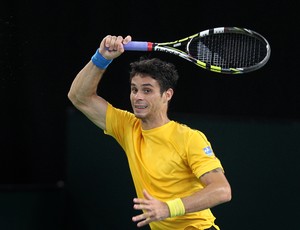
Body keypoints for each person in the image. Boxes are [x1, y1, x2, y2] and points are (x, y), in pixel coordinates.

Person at [68, 35, 232, 230]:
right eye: (134, 89)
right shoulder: (127, 127)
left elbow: (222, 190)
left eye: (147, 90)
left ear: (167, 95)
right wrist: (102, 57)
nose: (137, 97)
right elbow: (79, 97)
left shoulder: (189, 138)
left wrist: (168, 208)